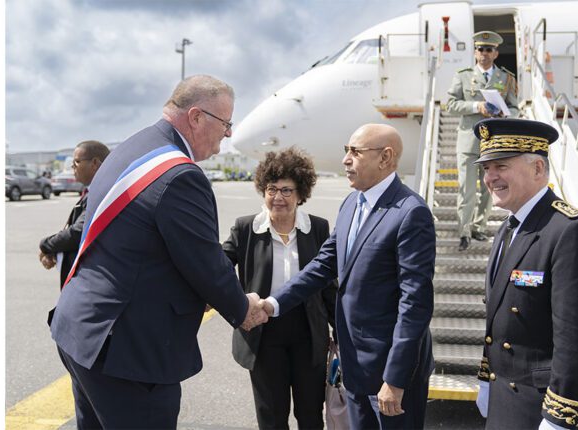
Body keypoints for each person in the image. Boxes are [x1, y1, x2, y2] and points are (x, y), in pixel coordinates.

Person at [49, 75, 268, 429]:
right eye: (226, 123)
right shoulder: (180, 176)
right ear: (196, 117)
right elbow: (206, 264)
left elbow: (141, 242)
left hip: (83, 331)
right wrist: (243, 309)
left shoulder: (132, 148)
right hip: (127, 353)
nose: (228, 134)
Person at [258, 124, 436, 429]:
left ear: (385, 157)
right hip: (355, 367)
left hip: (389, 373)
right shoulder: (352, 203)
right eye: (346, 150)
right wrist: (272, 304)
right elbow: (323, 265)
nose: (346, 159)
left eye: (356, 151)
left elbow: (415, 303)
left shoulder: (410, 213)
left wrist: (395, 379)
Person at [471, 118, 578, 429]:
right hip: (505, 401)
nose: (490, 177)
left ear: (537, 168)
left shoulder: (571, 232)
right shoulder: (508, 229)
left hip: (543, 407)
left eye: (501, 166)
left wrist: (559, 417)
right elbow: (498, 323)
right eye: (486, 168)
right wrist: (486, 379)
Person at [222, 147, 337, 429]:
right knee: (272, 417)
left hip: (308, 333)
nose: (278, 197)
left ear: (301, 194)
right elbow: (217, 271)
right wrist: (238, 306)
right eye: (272, 189)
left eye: (287, 190)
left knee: (310, 414)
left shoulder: (317, 228)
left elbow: (328, 285)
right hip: (264, 333)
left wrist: (342, 331)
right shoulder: (246, 228)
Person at [447, 31, 519, 251]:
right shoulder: (463, 76)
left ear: (496, 53)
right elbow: (450, 105)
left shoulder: (506, 78)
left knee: (490, 189)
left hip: (493, 143)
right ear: (475, 52)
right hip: (469, 143)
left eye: (489, 49)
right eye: (480, 49)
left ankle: (479, 226)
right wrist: (475, 106)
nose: (484, 53)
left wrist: (505, 113)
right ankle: (464, 231)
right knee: (466, 189)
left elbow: (515, 108)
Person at [38, 140, 110, 288]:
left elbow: (78, 232)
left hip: (92, 282)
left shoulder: (101, 193)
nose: (73, 167)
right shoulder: (95, 190)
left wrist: (46, 245)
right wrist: (54, 250)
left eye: (77, 162)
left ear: (94, 163)